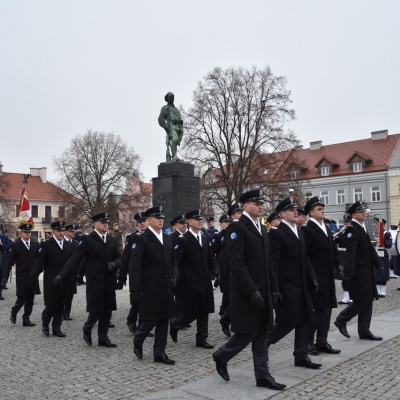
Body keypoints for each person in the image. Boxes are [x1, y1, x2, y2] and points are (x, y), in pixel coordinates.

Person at [212, 189, 285, 390]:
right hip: (247, 291)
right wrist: (252, 291)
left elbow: (267, 261)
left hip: (264, 289)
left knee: (261, 332)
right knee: (248, 332)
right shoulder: (237, 228)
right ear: (245, 207)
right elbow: (237, 264)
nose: (261, 206)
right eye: (257, 204)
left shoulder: (261, 227)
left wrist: (274, 287)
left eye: (261, 204)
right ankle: (222, 355)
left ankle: (262, 376)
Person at [267, 196, 321, 369]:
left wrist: (312, 276)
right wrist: (274, 287)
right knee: (287, 321)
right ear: (282, 214)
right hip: (286, 285)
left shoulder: (299, 231)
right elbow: (272, 264)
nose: (295, 212)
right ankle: (265, 342)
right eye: (291, 210)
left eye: (296, 210)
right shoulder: (277, 233)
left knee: (306, 319)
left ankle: (301, 355)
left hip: (302, 285)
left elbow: (304, 257)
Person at [55, 212, 122, 347]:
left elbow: (120, 258)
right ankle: (88, 326)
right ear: (95, 224)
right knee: (96, 308)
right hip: (95, 280)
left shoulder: (112, 240)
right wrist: (62, 274)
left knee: (108, 309)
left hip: (109, 280)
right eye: (103, 222)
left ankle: (103, 337)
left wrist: (115, 264)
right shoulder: (88, 239)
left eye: (107, 223)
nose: (105, 225)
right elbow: (75, 257)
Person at [130, 206, 177, 365]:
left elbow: (173, 260)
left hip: (166, 286)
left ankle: (160, 353)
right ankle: (139, 338)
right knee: (151, 319)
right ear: (149, 221)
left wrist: (175, 275)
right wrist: (135, 288)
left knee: (164, 319)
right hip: (150, 286)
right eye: (157, 218)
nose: (161, 220)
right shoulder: (142, 239)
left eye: (162, 218)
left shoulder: (168, 237)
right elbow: (134, 265)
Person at [334, 201, 385, 341]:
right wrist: (348, 273)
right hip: (358, 272)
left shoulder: (362, 227)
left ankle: (364, 330)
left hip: (366, 271)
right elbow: (351, 253)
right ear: (353, 215)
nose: (364, 213)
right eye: (361, 211)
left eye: (364, 211)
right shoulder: (352, 229)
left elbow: (369, 249)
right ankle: (341, 319)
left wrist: (379, 263)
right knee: (361, 301)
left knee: (368, 300)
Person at [169, 209, 217, 349]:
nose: (199, 221)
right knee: (192, 311)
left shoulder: (204, 239)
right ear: (189, 222)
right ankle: (176, 324)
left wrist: (216, 271)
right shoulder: (183, 240)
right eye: (196, 219)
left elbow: (210, 258)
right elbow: (176, 261)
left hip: (205, 280)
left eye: (200, 219)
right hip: (190, 282)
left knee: (205, 310)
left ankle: (201, 339)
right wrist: (178, 278)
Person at [302, 197, 341, 356]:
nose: (322, 211)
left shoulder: (326, 228)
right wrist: (311, 275)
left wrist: (339, 263)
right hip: (316, 276)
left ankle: (322, 342)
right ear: (311, 212)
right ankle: (308, 341)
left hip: (328, 275)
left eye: (323, 209)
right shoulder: (307, 229)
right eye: (319, 209)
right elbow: (305, 255)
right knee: (318, 311)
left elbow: (333, 249)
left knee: (327, 309)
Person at [28, 221, 74, 337]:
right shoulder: (47, 244)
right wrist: (32, 278)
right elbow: (39, 263)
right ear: (53, 231)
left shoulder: (69, 245)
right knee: (51, 304)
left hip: (64, 280)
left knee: (61, 305)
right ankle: (45, 322)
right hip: (51, 280)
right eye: (59, 230)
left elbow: (71, 263)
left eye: (63, 230)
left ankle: (56, 328)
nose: (61, 233)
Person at [4, 223, 40, 326]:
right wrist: (4, 277)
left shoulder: (35, 244)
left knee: (30, 298)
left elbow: (40, 259)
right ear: (21, 233)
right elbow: (9, 261)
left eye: (29, 232)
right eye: (25, 232)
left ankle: (26, 318)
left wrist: (39, 270)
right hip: (22, 276)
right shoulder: (15, 245)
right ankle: (14, 311)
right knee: (22, 297)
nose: (28, 234)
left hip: (32, 276)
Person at [119, 212, 149, 335]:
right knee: (137, 300)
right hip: (136, 273)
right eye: (140, 222)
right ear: (137, 224)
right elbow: (126, 257)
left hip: (150, 273)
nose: (142, 223)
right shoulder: (132, 237)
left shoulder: (153, 236)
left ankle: (143, 326)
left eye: (144, 221)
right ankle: (131, 320)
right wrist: (122, 277)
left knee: (147, 300)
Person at [158, 92, 184, 162]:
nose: (172, 98)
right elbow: (160, 118)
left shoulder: (177, 110)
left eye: (173, 97)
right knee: (174, 140)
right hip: (171, 127)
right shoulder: (165, 108)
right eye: (170, 97)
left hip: (179, 128)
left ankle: (175, 156)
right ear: (167, 99)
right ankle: (174, 156)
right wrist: (165, 126)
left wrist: (181, 123)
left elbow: (179, 118)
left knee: (176, 141)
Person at [334, 214, 353, 304]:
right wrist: (335, 238)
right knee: (343, 277)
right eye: (345, 222)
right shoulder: (342, 231)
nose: (345, 224)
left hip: (349, 255)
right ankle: (346, 297)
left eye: (347, 222)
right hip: (341, 255)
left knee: (350, 277)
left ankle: (352, 296)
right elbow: (336, 242)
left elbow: (347, 242)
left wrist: (341, 236)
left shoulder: (352, 232)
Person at [62, 224, 79, 320]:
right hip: (62, 272)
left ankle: (67, 313)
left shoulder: (76, 244)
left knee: (70, 294)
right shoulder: (61, 242)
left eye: (74, 231)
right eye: (71, 232)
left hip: (72, 273)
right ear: (66, 232)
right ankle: (60, 311)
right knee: (62, 293)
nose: (74, 233)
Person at [374, 218, 391, 298]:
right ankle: (377, 289)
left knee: (383, 271)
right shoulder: (374, 233)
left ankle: (383, 290)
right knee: (376, 271)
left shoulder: (387, 234)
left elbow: (389, 245)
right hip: (375, 254)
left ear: (383, 225)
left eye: (378, 224)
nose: (376, 226)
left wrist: (382, 239)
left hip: (383, 253)